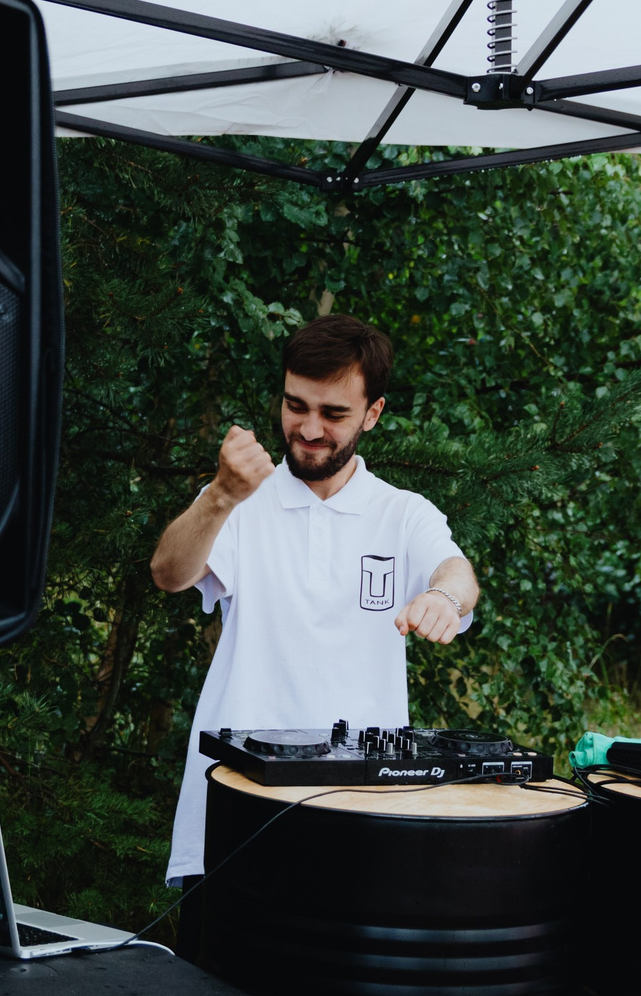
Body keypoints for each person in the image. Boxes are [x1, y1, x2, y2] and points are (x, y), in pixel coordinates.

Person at [149, 314, 479, 884]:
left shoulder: (401, 512)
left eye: (333, 413)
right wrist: (219, 495)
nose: (307, 428)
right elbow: (169, 573)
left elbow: (456, 571)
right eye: (295, 405)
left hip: (363, 809)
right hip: (235, 794)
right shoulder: (238, 500)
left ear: (373, 413)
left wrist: (444, 598)